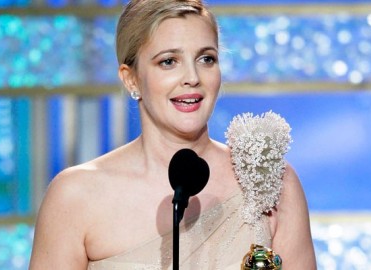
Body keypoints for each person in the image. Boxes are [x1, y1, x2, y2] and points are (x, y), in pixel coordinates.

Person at [29, 0, 317, 269]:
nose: (192, 77)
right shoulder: (75, 196)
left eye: (206, 59)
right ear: (131, 78)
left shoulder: (270, 179)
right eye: (168, 61)